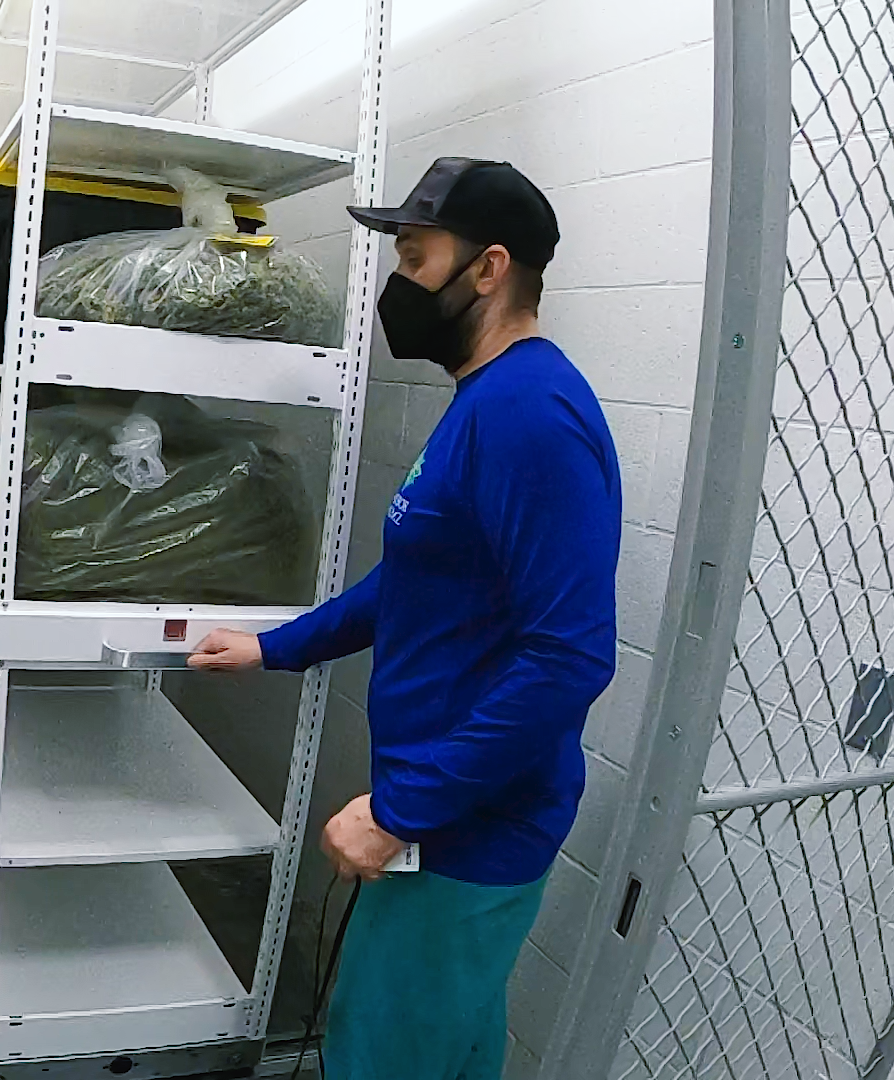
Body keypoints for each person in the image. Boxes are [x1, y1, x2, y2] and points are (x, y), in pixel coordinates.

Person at [188, 157, 621, 1080]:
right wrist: (275, 647)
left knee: (378, 1053)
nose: (398, 281)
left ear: (489, 269)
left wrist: (398, 812)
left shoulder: (530, 417)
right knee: (448, 1054)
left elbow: (569, 658)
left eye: (416, 255)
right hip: (448, 820)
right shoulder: (482, 403)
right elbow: (415, 583)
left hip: (466, 836)